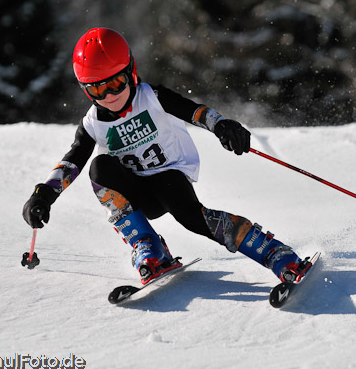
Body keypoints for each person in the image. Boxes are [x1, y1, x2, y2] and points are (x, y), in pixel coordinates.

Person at [23, 27, 310, 285]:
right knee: (99, 168)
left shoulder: (151, 97)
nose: (110, 95)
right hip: (135, 192)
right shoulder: (93, 123)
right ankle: (147, 246)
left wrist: (221, 125)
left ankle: (273, 252)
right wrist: (43, 195)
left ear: (131, 73)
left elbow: (195, 111)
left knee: (193, 219)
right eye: (98, 88)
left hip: (169, 179)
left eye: (116, 83)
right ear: (87, 91)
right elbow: (72, 161)